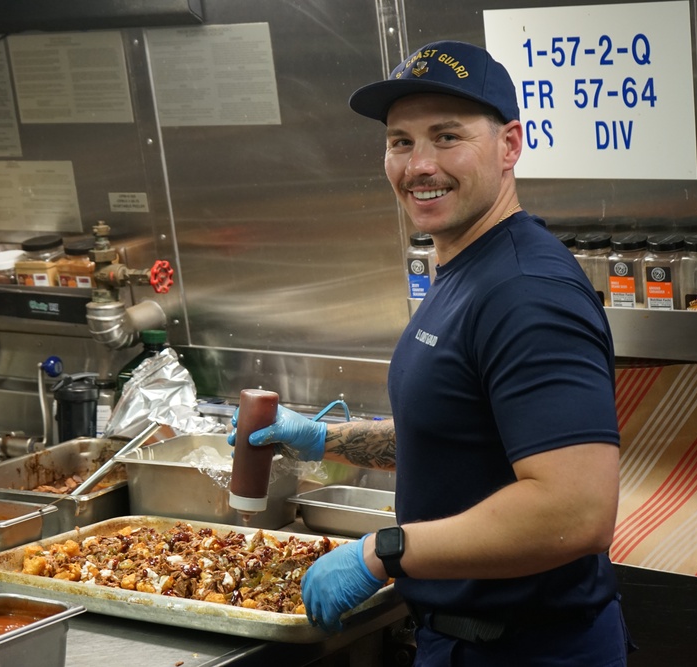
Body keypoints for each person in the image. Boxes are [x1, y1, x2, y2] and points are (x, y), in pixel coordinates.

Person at [230, 41, 631, 665]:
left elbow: (574, 512)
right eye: (401, 141)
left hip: (525, 651)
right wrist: (322, 439)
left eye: (447, 137)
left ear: (510, 146)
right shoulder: (466, 265)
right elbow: (460, 430)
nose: (420, 164)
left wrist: (382, 552)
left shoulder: (526, 293)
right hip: (460, 641)